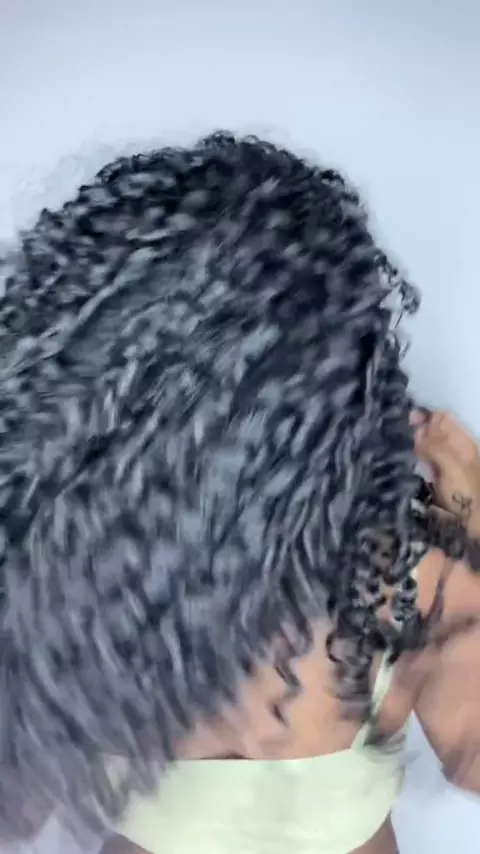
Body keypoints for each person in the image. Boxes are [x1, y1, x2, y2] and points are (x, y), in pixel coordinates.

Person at [1, 134, 480, 854]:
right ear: (342, 386)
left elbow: (18, 806)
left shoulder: (56, 586)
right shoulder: (409, 576)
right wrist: (471, 516)